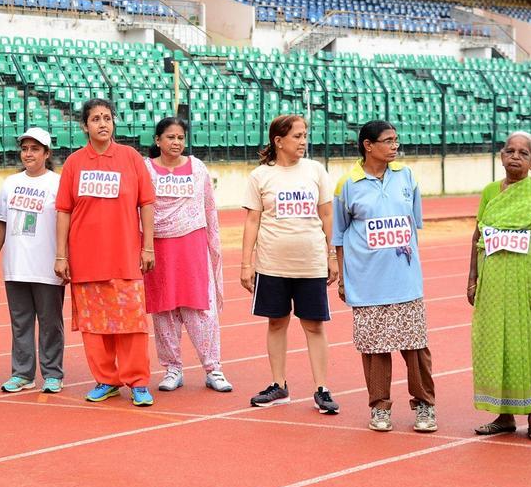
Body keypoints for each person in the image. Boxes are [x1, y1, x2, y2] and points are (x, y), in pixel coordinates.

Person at [332, 120, 437, 433]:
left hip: (404, 280)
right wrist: (342, 278)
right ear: (368, 145)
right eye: (388, 141)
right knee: (374, 348)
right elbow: (339, 234)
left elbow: (412, 224)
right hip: (367, 282)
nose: (395, 146)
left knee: (415, 346)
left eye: (396, 140)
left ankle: (425, 405)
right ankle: (379, 407)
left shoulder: (406, 176)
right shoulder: (347, 184)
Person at [55, 98, 157, 406]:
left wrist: (147, 246)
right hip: (85, 258)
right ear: (84, 126)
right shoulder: (74, 163)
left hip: (125, 256)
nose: (103, 123)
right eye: (96, 119)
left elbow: (146, 203)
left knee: (131, 323)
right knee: (94, 325)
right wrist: (61, 255)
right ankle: (106, 380)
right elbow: (63, 210)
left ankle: (138, 381)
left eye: (107, 118)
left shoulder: (130, 157)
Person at [468, 132, 531, 442]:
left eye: (523, 153)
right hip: (494, 282)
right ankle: (504, 415)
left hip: (528, 282)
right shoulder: (490, 192)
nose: (515, 157)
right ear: (501, 155)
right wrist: (472, 278)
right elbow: (478, 235)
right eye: (510, 150)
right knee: (496, 343)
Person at [241, 113, 338, 413]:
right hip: (272, 264)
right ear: (278, 140)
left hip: (309, 262)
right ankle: (278, 385)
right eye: (297, 136)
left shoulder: (315, 171)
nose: (303, 141)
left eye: (305, 135)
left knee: (314, 325)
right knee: (276, 322)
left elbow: (327, 215)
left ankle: (322, 388)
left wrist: (331, 255)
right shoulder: (261, 176)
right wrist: (247, 263)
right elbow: (252, 220)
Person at [146, 116, 230, 394]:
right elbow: (140, 209)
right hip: (158, 247)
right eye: (170, 137)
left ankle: (212, 367)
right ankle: (172, 368)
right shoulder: (146, 170)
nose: (176, 142)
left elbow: (209, 209)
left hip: (192, 247)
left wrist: (212, 245)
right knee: (164, 309)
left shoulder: (198, 169)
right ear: (158, 141)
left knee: (201, 308)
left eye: (180, 137)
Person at [0, 128, 66, 394]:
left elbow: (67, 224)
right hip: (17, 266)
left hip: (47, 267)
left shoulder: (58, 183)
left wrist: (64, 258)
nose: (28, 153)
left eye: (35, 149)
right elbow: (1, 221)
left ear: (46, 153)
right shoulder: (10, 182)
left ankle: (53, 373)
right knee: (20, 323)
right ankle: (22, 374)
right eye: (25, 149)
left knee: (50, 323)